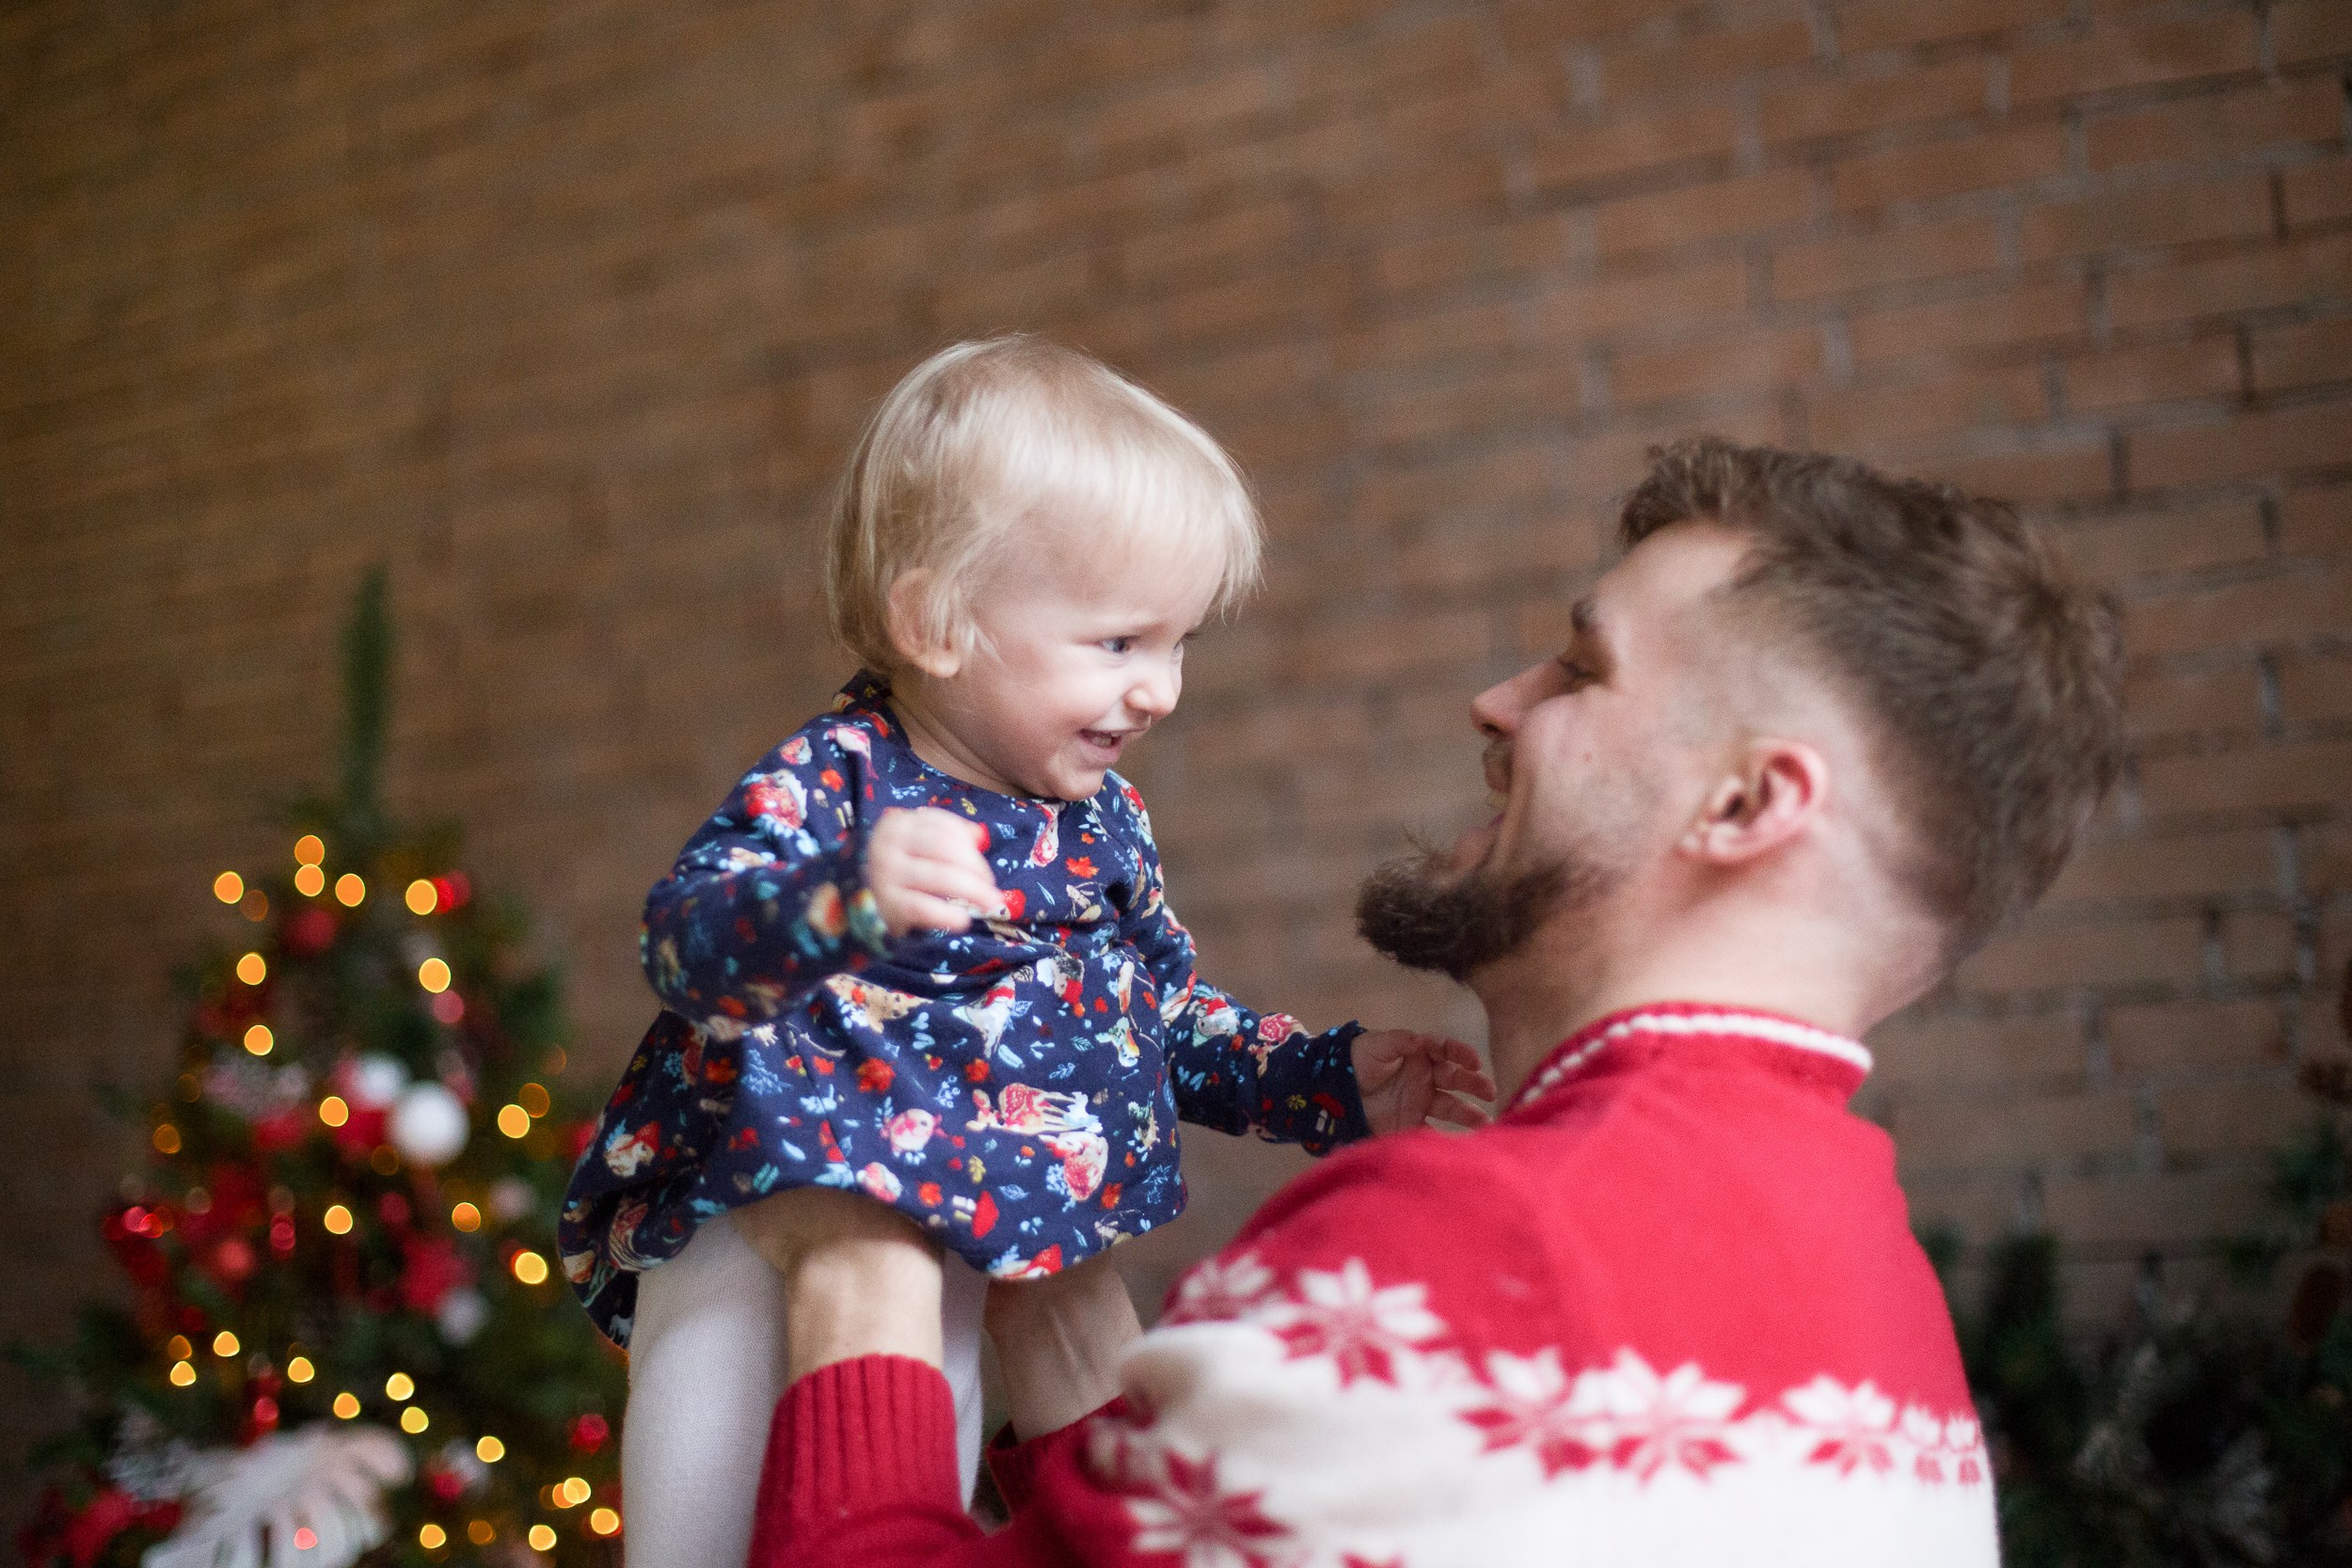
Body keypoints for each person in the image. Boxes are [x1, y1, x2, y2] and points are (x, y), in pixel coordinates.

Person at [735, 436, 2127, 1566]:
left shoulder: (1470, 1255)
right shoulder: (1887, 1316)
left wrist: (862, 1250)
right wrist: (1073, 1345)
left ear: (1748, 804)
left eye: (1582, 668)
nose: (1498, 701)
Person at [555, 337, 1490, 1568]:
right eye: (1118, 644)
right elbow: (684, 943)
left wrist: (1318, 1079)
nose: (1160, 690)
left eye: (1180, 644)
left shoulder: (1103, 826)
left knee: (911, 1497)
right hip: (769, 1235)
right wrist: (842, 898)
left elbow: (1153, 1016)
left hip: (968, 1257)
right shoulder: (840, 781)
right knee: (707, 1529)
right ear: (937, 623)